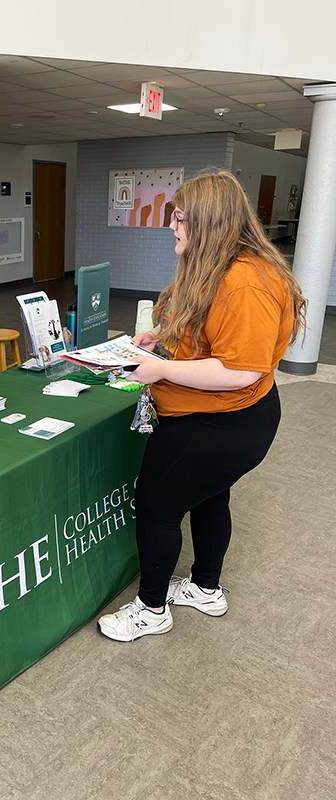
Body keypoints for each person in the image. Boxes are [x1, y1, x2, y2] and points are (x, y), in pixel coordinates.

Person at [98, 170, 306, 642]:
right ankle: (205, 588)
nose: (172, 225)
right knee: (210, 495)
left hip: (222, 421)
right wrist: (163, 339)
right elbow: (206, 334)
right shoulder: (217, 265)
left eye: (181, 218)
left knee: (156, 504)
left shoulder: (245, 281)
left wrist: (162, 370)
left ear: (209, 223)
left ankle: (151, 610)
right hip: (227, 418)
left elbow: (241, 370)